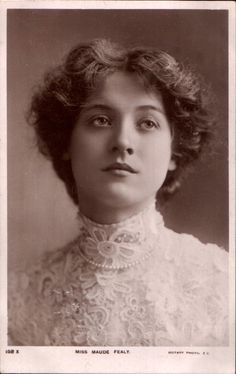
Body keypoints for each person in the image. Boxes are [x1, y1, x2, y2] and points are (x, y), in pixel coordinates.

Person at [8, 39, 228, 346]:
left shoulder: (221, 285)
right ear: (67, 144)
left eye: (147, 122)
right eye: (101, 120)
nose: (123, 141)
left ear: (174, 152)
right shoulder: (18, 298)